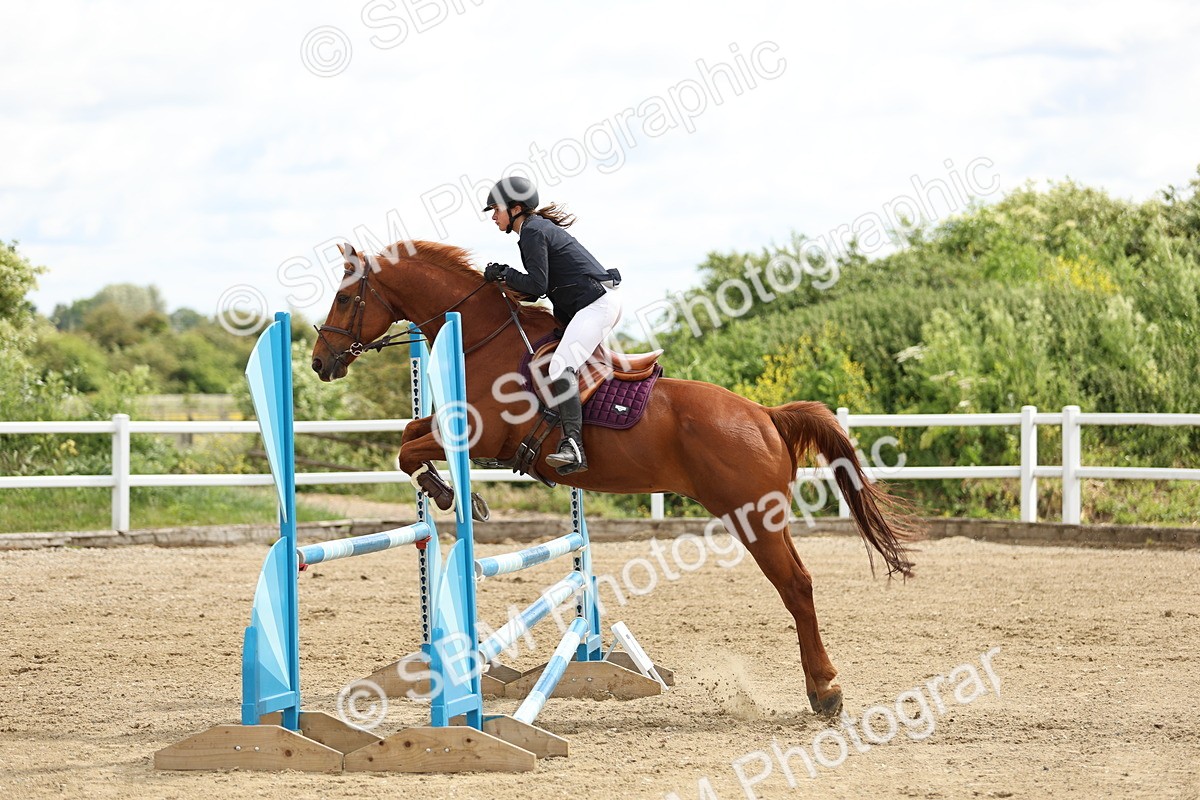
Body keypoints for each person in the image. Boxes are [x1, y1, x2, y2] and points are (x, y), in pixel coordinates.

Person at [482, 176, 622, 475]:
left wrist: (505, 272)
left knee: (559, 367)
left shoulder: (532, 231)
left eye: (496, 209)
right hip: (588, 306)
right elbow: (534, 293)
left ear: (516, 208)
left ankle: (573, 446)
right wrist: (503, 280)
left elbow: (537, 284)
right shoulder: (533, 230)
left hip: (595, 305)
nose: (493, 216)